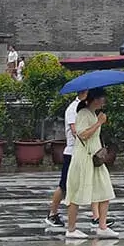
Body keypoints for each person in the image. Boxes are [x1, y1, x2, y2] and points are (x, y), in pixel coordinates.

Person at [65, 88, 117, 239]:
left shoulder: (93, 114)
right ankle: (71, 229)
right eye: (101, 98)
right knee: (76, 194)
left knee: (105, 190)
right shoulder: (83, 114)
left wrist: (99, 121)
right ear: (94, 99)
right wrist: (99, 123)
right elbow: (82, 134)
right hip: (84, 159)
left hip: (95, 159)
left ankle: (102, 226)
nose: (103, 101)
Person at [46, 88, 87, 231]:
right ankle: (52, 213)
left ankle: (97, 217)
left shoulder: (84, 108)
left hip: (83, 152)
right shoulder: (73, 108)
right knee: (64, 185)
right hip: (72, 152)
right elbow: (75, 130)